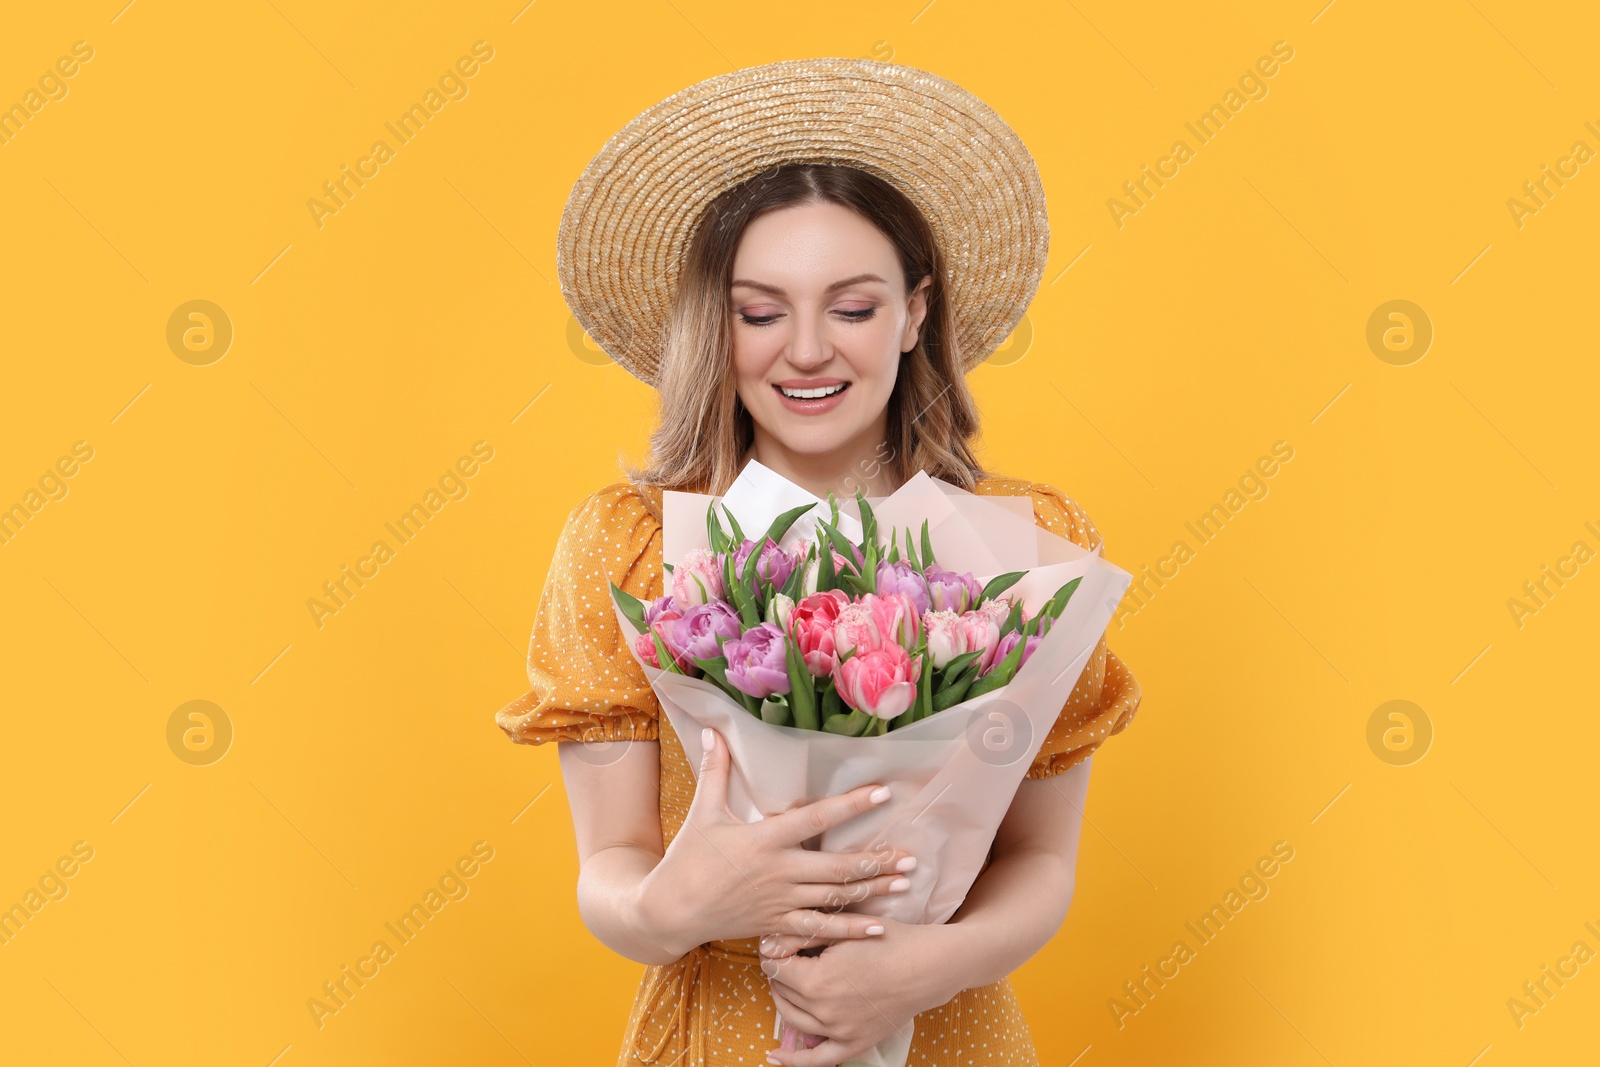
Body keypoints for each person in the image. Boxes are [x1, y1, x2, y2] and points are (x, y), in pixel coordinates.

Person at [494, 58, 1143, 1067]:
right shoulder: (631, 544)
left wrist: (931, 962)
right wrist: (676, 901)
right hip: (718, 1032)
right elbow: (608, 872)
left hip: (950, 1033)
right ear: (717, 321)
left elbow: (1042, 860)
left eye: (851, 307)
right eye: (760, 311)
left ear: (915, 312)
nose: (805, 350)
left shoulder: (1022, 547)